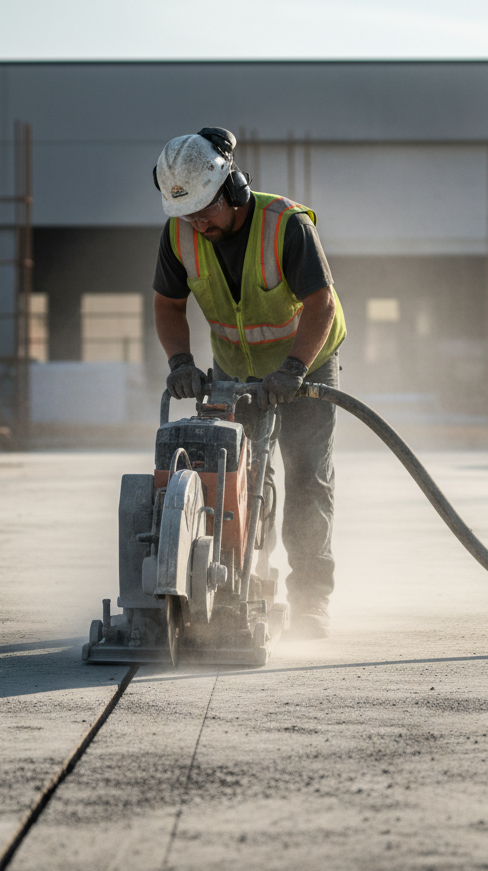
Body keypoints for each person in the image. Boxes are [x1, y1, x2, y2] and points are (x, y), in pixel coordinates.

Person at [151, 127, 346, 639]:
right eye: (187, 214)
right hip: (234, 367)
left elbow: (321, 304)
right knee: (237, 475)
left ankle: (311, 600)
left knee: (306, 476)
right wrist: (180, 361)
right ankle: (245, 584)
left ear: (232, 188)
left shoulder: (285, 225)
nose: (197, 223)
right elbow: (168, 305)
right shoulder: (179, 234)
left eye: (205, 210)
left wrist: (294, 370)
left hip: (306, 362)